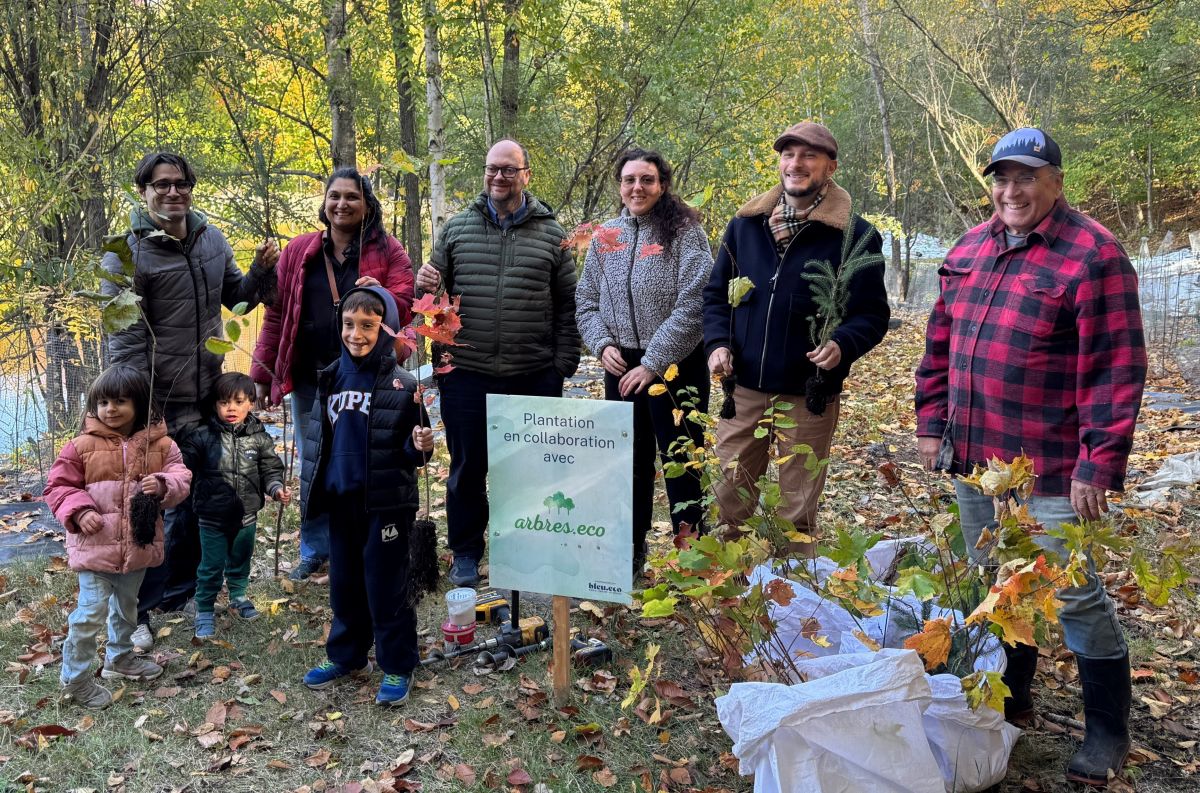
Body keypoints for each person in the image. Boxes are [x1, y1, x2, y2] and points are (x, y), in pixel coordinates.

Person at [915, 127, 1146, 787]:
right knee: (997, 580)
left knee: (1070, 592)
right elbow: (939, 347)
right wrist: (933, 422)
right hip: (975, 455)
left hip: (1047, 461)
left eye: (1026, 177)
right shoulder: (969, 247)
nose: (1010, 190)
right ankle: (1015, 700)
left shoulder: (1093, 256)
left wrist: (1098, 462)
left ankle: (1107, 728)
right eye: (1001, 178)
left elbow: (1116, 369)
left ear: (1056, 182)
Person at [101, 151, 280, 652]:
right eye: (162, 185)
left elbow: (238, 299)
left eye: (181, 183)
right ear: (144, 191)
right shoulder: (125, 252)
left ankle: (179, 593)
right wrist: (143, 410)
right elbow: (125, 341)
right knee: (151, 503)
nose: (173, 192)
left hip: (206, 394)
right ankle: (139, 612)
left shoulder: (210, 239)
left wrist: (263, 273)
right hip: (158, 402)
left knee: (202, 498)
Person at [702, 121, 889, 540]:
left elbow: (873, 315)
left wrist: (842, 344)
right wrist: (716, 344)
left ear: (830, 166)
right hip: (744, 387)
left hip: (809, 394)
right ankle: (730, 596)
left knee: (796, 512)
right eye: (788, 154)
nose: (796, 164)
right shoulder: (745, 225)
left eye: (809, 156)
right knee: (729, 498)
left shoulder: (855, 236)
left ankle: (787, 596)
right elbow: (715, 296)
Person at [415, 138, 581, 586]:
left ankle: (524, 549)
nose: (499, 177)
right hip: (467, 375)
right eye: (492, 168)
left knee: (528, 469)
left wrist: (560, 366)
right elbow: (431, 303)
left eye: (509, 169)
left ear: (526, 175)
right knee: (469, 467)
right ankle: (466, 552)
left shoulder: (551, 234)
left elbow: (570, 305)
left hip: (532, 375)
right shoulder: (456, 229)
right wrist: (423, 284)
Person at [251, 167, 413, 582]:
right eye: (334, 196)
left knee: (364, 457)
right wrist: (263, 370)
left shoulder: (388, 251)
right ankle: (316, 548)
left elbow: (405, 305)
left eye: (352, 197)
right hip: (312, 377)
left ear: (367, 205)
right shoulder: (299, 251)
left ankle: (363, 544)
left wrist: (377, 292)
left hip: (366, 377)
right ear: (324, 203)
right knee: (314, 460)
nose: (342, 204)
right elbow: (277, 314)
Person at [575, 148, 714, 574]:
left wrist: (653, 362)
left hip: (676, 366)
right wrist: (602, 345)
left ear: (662, 184)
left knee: (681, 464)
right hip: (619, 366)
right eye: (630, 179)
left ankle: (693, 563)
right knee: (627, 465)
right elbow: (586, 301)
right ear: (620, 185)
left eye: (647, 179)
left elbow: (696, 302)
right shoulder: (606, 237)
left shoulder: (685, 233)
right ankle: (626, 556)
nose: (638, 187)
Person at [299, 286, 434, 705]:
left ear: (386, 328)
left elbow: (413, 453)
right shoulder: (331, 377)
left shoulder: (403, 383)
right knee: (344, 583)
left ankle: (396, 664)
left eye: (368, 326)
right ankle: (348, 655)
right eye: (349, 324)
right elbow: (322, 440)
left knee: (385, 585)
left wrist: (422, 443)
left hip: (386, 504)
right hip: (342, 500)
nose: (356, 334)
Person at [43, 366, 192, 708]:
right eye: (103, 401)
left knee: (127, 609)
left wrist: (164, 484)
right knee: (89, 614)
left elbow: (181, 477)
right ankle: (75, 679)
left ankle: (119, 659)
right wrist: (80, 511)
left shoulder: (162, 445)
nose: (110, 409)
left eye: (120, 401)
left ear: (139, 404)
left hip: (138, 547)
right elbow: (58, 486)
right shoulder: (81, 446)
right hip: (94, 549)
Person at [180, 372, 289, 639]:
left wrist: (275, 489)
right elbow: (184, 463)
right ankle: (204, 607)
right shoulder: (203, 436)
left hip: (247, 516)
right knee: (211, 565)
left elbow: (270, 469)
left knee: (241, 559)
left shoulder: (259, 437)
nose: (231, 408)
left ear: (251, 403)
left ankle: (238, 596)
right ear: (214, 405)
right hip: (211, 517)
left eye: (238, 402)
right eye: (224, 402)